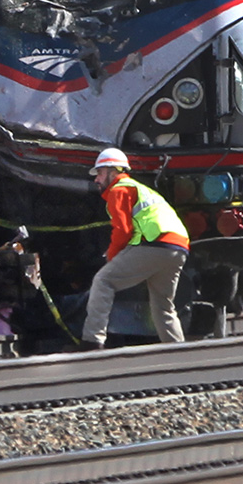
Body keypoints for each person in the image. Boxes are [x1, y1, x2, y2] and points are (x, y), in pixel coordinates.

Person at [80, 147, 190, 349]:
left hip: (156, 243)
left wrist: (112, 256)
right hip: (178, 247)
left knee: (103, 281)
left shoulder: (119, 190)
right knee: (163, 305)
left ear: (113, 171)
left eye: (100, 173)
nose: (97, 179)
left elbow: (122, 230)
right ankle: (179, 351)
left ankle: (92, 341)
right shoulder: (140, 189)